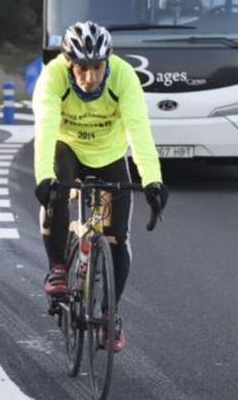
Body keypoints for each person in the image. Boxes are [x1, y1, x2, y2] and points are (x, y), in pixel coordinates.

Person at [33, 21, 169, 353]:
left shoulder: (124, 77)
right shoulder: (52, 77)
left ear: (107, 61)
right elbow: (46, 127)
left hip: (108, 153)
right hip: (67, 147)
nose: (90, 77)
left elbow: (139, 130)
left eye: (97, 67)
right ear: (69, 63)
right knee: (56, 196)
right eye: (82, 68)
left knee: (116, 236)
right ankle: (59, 269)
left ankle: (110, 314)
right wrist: (43, 179)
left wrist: (153, 180)